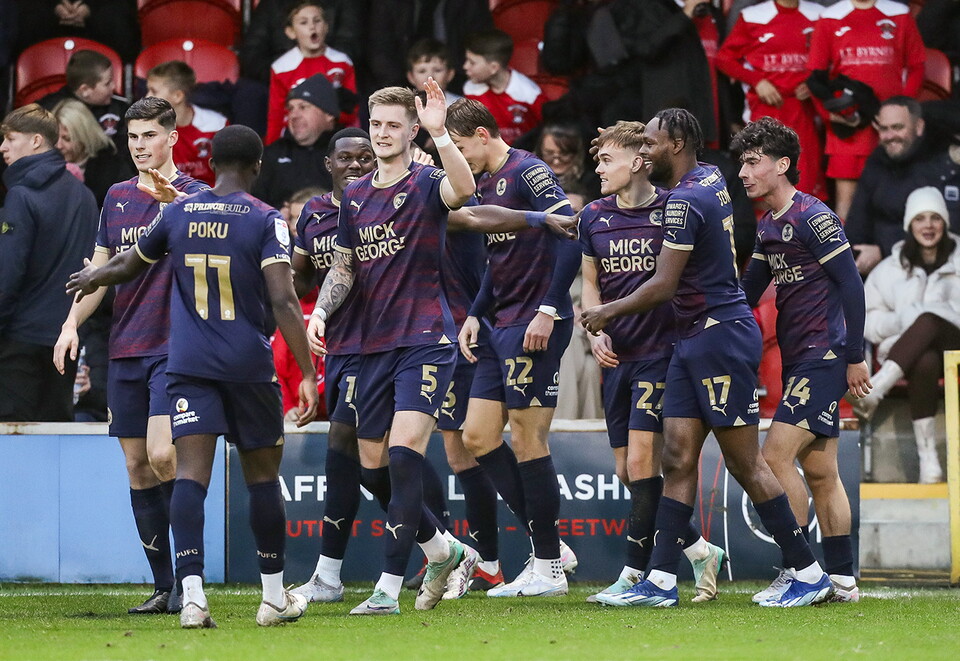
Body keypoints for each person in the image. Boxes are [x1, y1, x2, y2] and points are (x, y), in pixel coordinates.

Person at [66, 124, 319, 629]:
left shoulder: (177, 212)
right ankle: (272, 599)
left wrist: (93, 275)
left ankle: (193, 598)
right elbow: (284, 300)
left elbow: (128, 264)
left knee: (189, 478)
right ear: (257, 166)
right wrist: (308, 373)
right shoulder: (267, 220)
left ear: (211, 164)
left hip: (187, 365)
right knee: (264, 478)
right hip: (247, 366)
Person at [581, 108, 833, 608]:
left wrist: (604, 312)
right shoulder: (712, 177)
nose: (645, 150)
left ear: (674, 144)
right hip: (690, 340)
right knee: (676, 457)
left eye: (650, 142)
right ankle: (660, 580)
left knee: (745, 462)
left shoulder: (684, 201)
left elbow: (662, 285)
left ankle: (808, 570)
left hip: (718, 338)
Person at [306, 82, 477, 616]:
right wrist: (320, 311)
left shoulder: (427, 181)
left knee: (404, 457)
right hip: (372, 344)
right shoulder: (355, 196)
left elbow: (465, 190)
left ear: (409, 130)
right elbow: (346, 262)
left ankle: (386, 588)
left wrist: (440, 134)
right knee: (372, 468)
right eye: (376, 124)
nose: (382, 134)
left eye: (393, 125)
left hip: (426, 339)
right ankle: (445, 550)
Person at [53, 96, 208, 615]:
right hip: (127, 346)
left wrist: (172, 209)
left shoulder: (197, 196)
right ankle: (165, 586)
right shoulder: (116, 196)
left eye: (149, 136)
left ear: (173, 138)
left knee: (165, 455)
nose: (140, 145)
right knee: (138, 466)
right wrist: (71, 324)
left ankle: (191, 581)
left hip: (176, 346)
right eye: (133, 136)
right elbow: (99, 272)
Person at [575, 121, 727, 606]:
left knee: (644, 462)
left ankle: (635, 574)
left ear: (638, 162)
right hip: (616, 355)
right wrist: (595, 330)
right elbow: (592, 281)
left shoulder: (673, 209)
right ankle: (700, 550)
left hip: (663, 353)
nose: (597, 168)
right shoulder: (593, 216)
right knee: (628, 471)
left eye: (606, 160)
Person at [448, 97, 579, 597]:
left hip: (535, 323)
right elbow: (495, 261)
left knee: (528, 440)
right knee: (478, 436)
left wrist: (550, 307)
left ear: (483, 134)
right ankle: (550, 546)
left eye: (459, 147)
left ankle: (546, 567)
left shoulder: (530, 170)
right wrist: (476, 314)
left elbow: (569, 233)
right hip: (498, 323)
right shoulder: (480, 184)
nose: (457, 159)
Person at [735, 116, 869, 604]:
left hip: (825, 355)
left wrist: (854, 356)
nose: (744, 173)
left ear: (782, 164)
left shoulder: (813, 216)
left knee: (774, 457)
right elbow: (747, 291)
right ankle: (842, 579)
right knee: (821, 472)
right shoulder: (768, 224)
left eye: (753, 162)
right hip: (801, 358)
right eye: (742, 163)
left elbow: (851, 285)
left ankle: (800, 571)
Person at [289, 128, 376, 603]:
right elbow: (298, 276)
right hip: (340, 347)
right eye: (346, 158)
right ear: (328, 164)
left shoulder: (391, 201)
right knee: (373, 456)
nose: (357, 165)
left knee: (350, 446)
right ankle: (444, 546)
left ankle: (328, 575)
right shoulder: (315, 213)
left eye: (365, 157)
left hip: (386, 343)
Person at [0, 104, 99, 422]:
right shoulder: (84, 195)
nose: (2, 147)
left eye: (10, 138)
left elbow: (8, 272)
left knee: (14, 444)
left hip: (20, 343)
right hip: (65, 339)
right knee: (57, 437)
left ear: (36, 141)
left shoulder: (21, 195)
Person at [858, 187, 959, 484]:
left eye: (935, 218)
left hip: (956, 347)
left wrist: (926, 315)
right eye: (920, 219)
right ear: (909, 225)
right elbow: (868, 321)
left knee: (929, 318)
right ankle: (929, 462)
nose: (928, 226)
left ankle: (875, 390)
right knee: (924, 360)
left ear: (945, 222)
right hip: (914, 357)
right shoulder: (890, 269)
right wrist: (904, 320)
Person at [806, 0, 926, 221]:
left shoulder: (899, 13)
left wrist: (903, 111)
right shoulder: (830, 17)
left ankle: (890, 253)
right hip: (849, 126)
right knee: (846, 205)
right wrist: (831, 115)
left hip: (890, 128)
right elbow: (815, 77)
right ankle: (846, 254)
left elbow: (917, 66)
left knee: (896, 196)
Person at [716, 0, 827, 200]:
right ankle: (766, 231)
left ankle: (803, 229)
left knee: (804, 183)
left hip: (805, 113)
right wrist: (757, 81)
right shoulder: (753, 16)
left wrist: (814, 83)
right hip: (765, 111)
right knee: (762, 180)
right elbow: (724, 59)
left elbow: (832, 59)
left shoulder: (819, 14)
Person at [846, 97, 960, 275]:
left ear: (919, 127)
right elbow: (857, 221)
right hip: (882, 271)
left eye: (898, 127)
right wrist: (855, 254)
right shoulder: (877, 161)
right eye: (884, 129)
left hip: (936, 270)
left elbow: (947, 229)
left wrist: (883, 250)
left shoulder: (944, 162)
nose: (890, 136)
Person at [266, 1, 356, 143]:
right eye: (303, 22)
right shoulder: (281, 68)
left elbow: (352, 110)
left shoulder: (342, 62)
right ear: (290, 32)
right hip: (295, 138)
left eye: (317, 21)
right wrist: (271, 151)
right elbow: (276, 116)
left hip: (334, 136)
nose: (312, 27)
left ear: (326, 26)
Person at [253, 74, 339, 208]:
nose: (293, 115)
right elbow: (255, 207)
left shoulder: (349, 153)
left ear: (329, 114)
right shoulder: (271, 155)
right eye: (291, 108)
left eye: (303, 107)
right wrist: (276, 215)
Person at [146, 61, 229, 187]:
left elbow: (228, 175)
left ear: (178, 96)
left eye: (153, 92)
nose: (147, 97)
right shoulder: (147, 128)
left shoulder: (217, 125)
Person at [463, 29, 545, 145]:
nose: (465, 66)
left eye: (472, 63)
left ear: (493, 68)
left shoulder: (530, 94)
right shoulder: (471, 89)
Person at [38, 49, 129, 153]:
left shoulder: (120, 109)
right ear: (85, 90)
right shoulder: (46, 111)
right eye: (107, 83)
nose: (113, 86)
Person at [53, 98, 134, 206]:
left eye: (67, 139)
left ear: (84, 136)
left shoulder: (112, 167)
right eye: (54, 138)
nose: (58, 145)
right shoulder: (47, 164)